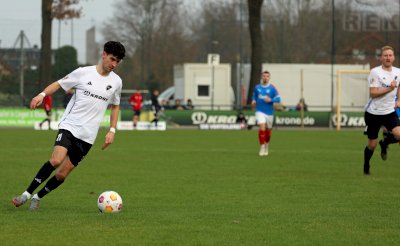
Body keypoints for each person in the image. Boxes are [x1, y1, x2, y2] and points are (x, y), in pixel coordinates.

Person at [11, 41, 126, 210]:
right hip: (70, 126)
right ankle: (25, 195)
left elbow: (115, 106)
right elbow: (58, 84)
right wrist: (41, 95)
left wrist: (112, 130)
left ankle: (37, 197)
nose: (114, 64)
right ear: (104, 55)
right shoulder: (83, 73)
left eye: (117, 61)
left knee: (62, 174)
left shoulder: (116, 82)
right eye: (112, 59)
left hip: (88, 136)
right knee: (56, 160)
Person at [363, 45, 400, 175]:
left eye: (390, 55)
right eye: (385, 55)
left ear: (394, 57)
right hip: (373, 113)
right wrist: (390, 89)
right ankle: (366, 166)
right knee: (372, 145)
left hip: (389, 112)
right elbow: (373, 92)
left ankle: (384, 143)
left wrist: (398, 100)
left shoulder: (398, 72)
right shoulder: (375, 72)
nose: (388, 57)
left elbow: (399, 86)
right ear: (381, 58)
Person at [251, 70, 281, 156]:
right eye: (264, 76)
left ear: (269, 78)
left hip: (269, 113)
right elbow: (254, 96)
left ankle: (267, 145)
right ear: (261, 77)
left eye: (267, 76)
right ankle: (262, 147)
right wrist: (253, 100)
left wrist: (270, 100)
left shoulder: (272, 88)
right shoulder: (257, 87)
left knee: (268, 131)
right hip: (259, 111)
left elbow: (278, 99)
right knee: (262, 127)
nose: (265, 78)